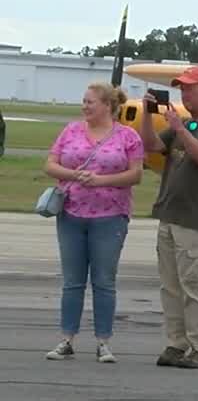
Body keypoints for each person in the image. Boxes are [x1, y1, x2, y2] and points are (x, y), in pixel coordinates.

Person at [137, 66, 198, 369]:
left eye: (190, 88)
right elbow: (151, 145)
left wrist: (180, 130)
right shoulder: (187, 124)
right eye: (181, 89)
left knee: (194, 287)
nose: (185, 94)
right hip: (170, 215)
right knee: (170, 286)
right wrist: (146, 112)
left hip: (195, 220)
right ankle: (177, 344)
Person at [43, 82, 144, 362]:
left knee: (104, 280)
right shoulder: (71, 130)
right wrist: (73, 175)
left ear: (108, 106)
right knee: (73, 281)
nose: (84, 106)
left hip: (110, 216)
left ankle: (103, 342)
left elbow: (136, 175)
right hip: (71, 214)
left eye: (90, 102)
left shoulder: (128, 137)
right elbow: (49, 165)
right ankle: (67, 339)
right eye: (84, 101)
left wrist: (101, 180)